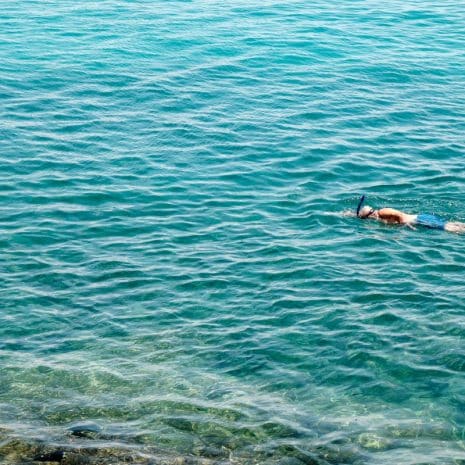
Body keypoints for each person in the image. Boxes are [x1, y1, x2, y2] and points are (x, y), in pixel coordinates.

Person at [356, 195, 465, 233]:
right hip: (419, 219)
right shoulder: (379, 216)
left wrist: (404, 225)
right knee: (448, 225)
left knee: (448, 228)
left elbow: (399, 215)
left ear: (369, 215)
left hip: (419, 220)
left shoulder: (381, 212)